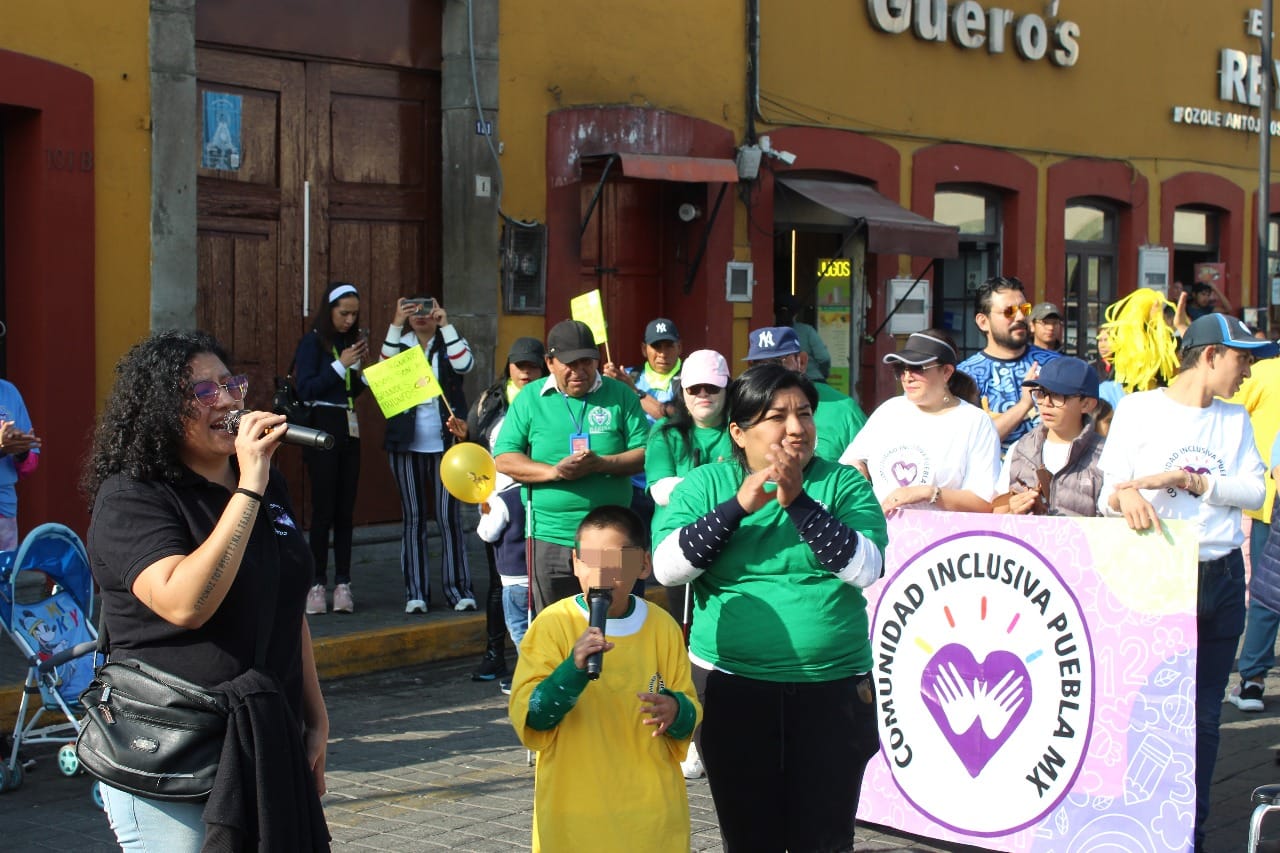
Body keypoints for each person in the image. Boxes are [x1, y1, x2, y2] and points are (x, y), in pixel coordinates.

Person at [81, 330, 329, 851]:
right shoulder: (131, 497)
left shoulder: (264, 483)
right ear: (160, 410)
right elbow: (184, 603)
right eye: (202, 391)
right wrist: (249, 488)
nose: (227, 400)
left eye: (231, 384)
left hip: (264, 736)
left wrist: (315, 717)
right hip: (173, 751)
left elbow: (287, 604)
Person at [653, 363, 886, 851]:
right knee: (749, 838)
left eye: (805, 414)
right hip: (733, 688)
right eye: (777, 416)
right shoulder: (705, 484)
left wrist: (798, 502)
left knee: (825, 839)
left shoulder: (843, 483)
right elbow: (668, 568)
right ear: (739, 432)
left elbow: (867, 567)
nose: (796, 428)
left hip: (832, 689)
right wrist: (736, 507)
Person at [1098, 313, 1276, 852]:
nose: (1248, 371)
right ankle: (1136, 825)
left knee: (1203, 716)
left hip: (1221, 573)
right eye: (1242, 359)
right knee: (1144, 709)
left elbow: (1254, 491)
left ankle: (1187, 833)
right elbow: (1109, 491)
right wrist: (1126, 495)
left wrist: (1188, 480)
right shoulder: (1139, 409)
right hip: (1156, 571)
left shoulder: (1234, 418)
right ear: (1210, 355)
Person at [509, 505, 700, 852]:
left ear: (643, 564)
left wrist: (675, 710)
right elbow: (531, 716)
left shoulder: (662, 628)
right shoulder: (553, 624)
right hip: (575, 811)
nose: (601, 572)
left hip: (650, 812)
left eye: (615, 560)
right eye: (590, 560)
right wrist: (572, 671)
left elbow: (690, 713)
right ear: (575, 562)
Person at [493, 320, 649, 614]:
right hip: (549, 536)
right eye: (570, 364)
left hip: (612, 536)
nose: (579, 371)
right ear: (550, 363)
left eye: (586, 362)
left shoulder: (621, 395)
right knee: (555, 624)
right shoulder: (530, 398)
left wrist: (601, 464)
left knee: (613, 621)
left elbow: (646, 453)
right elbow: (504, 458)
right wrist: (555, 472)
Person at [642, 347, 733, 780]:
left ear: (727, 389)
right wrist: (719, 486)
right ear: (682, 391)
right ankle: (692, 738)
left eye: (712, 387)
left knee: (718, 643)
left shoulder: (740, 429)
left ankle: (718, 731)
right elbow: (660, 489)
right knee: (687, 647)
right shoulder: (665, 433)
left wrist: (695, 487)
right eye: (695, 388)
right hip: (678, 550)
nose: (703, 396)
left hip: (731, 546)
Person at [457, 336, 546, 687]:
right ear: (508, 367)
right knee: (501, 582)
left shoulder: (553, 400)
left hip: (541, 500)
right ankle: (495, 654)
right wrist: (462, 436)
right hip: (499, 502)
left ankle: (539, 662)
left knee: (540, 584)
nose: (525, 372)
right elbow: (474, 449)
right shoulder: (489, 401)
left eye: (532, 366)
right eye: (519, 365)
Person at [381, 295, 476, 613]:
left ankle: (459, 590)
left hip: (445, 444)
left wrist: (446, 325)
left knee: (449, 517)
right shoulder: (401, 344)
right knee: (413, 518)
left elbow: (465, 365)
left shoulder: (448, 342)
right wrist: (396, 324)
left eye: (425, 309)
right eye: (412, 310)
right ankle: (416, 593)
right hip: (406, 444)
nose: (419, 315)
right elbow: (383, 370)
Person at [839, 330, 999, 514]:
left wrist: (927, 493)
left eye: (917, 368)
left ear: (946, 372)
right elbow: (851, 462)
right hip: (879, 528)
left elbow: (984, 502)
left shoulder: (975, 421)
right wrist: (857, 468)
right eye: (901, 368)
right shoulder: (889, 410)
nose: (907, 377)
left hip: (941, 531)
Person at [294, 282, 369, 615]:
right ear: (330, 311)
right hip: (322, 426)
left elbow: (349, 392)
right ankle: (316, 584)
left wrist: (361, 373)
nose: (349, 320)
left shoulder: (349, 343)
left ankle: (343, 584)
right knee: (323, 509)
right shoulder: (313, 342)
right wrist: (341, 365)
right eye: (343, 313)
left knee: (345, 511)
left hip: (349, 428)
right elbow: (306, 388)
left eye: (354, 314)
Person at [1226, 354, 1280, 712]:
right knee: (1267, 593)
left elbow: (1225, 413)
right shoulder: (1264, 371)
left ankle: (1253, 680)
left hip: (1269, 499)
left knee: (1267, 595)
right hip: (1269, 501)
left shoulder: (1263, 371)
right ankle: (1253, 678)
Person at [957, 275, 1062, 452]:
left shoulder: (1055, 364)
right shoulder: (966, 377)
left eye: (1024, 309)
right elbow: (971, 443)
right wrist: (1024, 404)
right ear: (983, 322)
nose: (1020, 317)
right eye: (1009, 311)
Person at [995, 356, 1106, 516]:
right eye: (1041, 393)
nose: (1046, 402)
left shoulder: (1107, 454)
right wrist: (1013, 511)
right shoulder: (1020, 449)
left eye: (1058, 395)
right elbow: (997, 512)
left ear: (1086, 404)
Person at [742, 325, 867, 461]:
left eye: (776, 364)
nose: (768, 374)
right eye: (759, 366)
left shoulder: (843, 410)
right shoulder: (743, 407)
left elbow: (868, 463)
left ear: (801, 362)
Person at [0, 378, 40, 551]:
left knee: (6, 566)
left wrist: (21, 452)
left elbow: (31, 462)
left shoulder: (9, 392)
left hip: (4, 508)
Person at [776, 294, 831, 382]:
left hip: (782, 381)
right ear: (796, 314)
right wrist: (823, 374)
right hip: (813, 379)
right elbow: (824, 358)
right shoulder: (807, 331)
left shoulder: (769, 334)